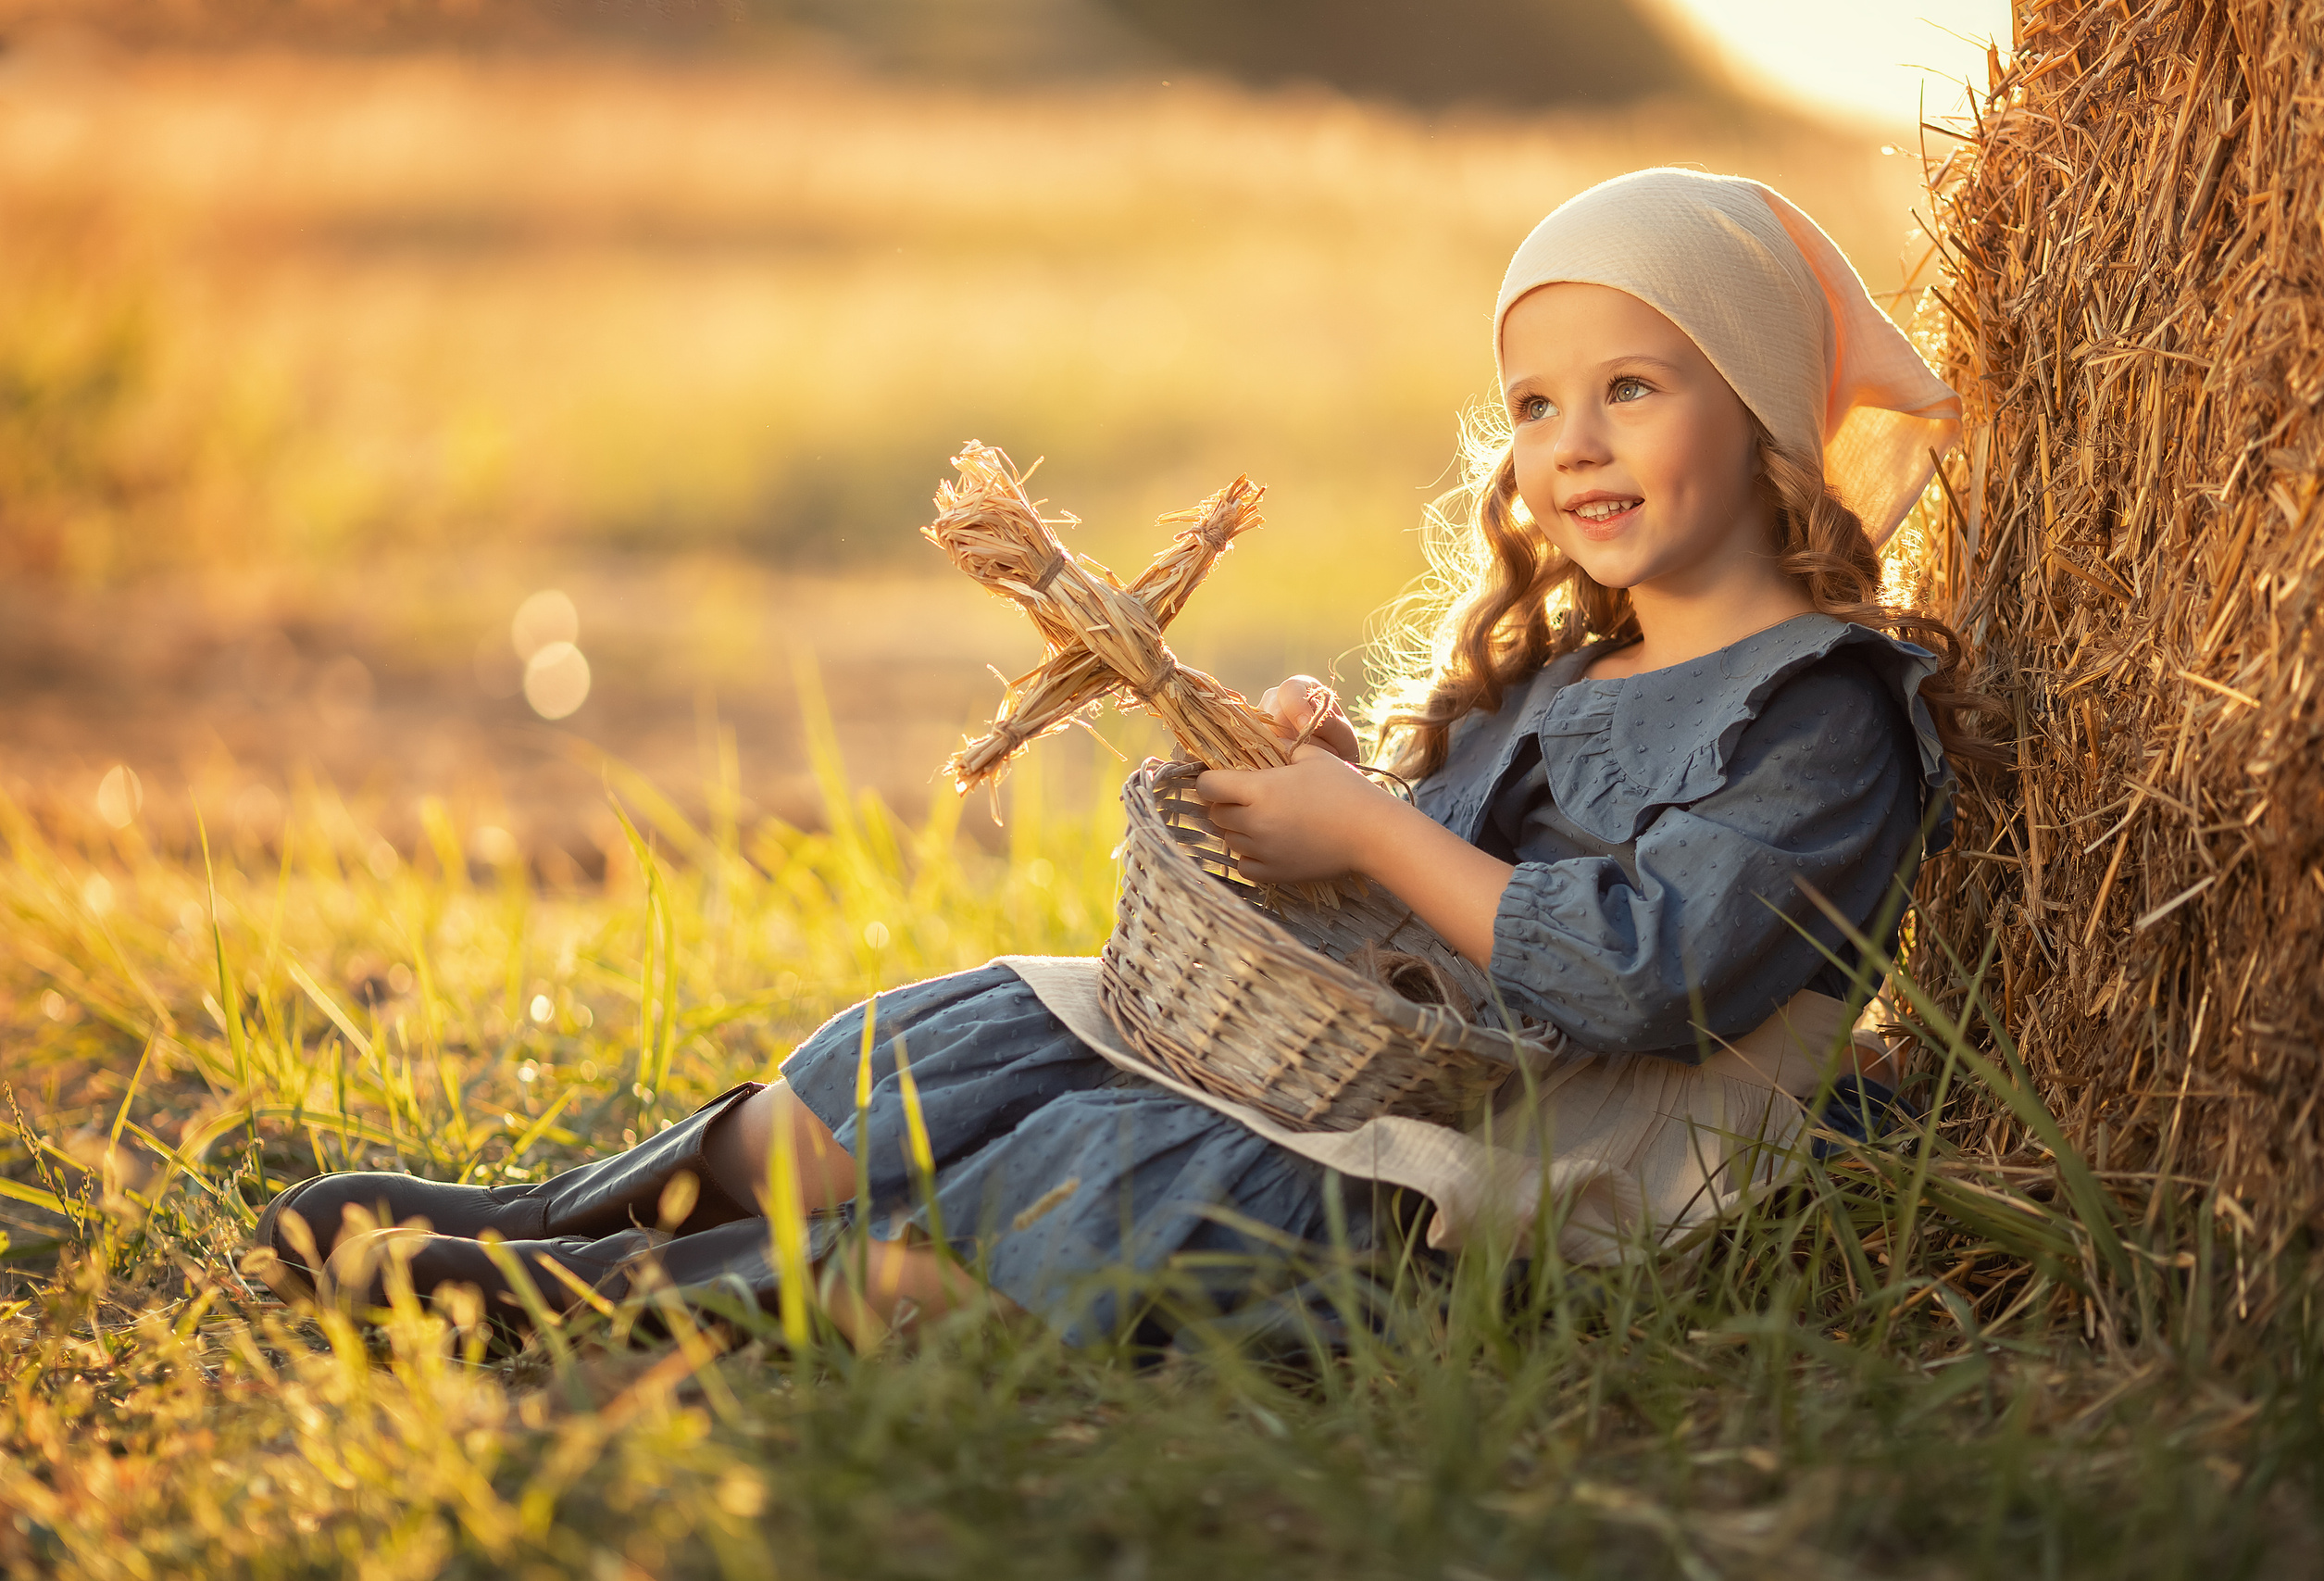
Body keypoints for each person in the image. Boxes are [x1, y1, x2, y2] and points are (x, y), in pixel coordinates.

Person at [255, 168, 1994, 1349]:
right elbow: (1409, 907)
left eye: (1635, 387)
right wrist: (1332, 795)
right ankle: (592, 1214)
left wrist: (1380, 846)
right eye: (1536, 404)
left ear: (1760, 414)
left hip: (1555, 1174)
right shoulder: (1564, 669)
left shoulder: (1825, 713)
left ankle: (666, 1300)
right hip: (1384, 1079)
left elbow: (1647, 980)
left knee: (1119, 1169)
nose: (1573, 446)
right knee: (991, 1025)